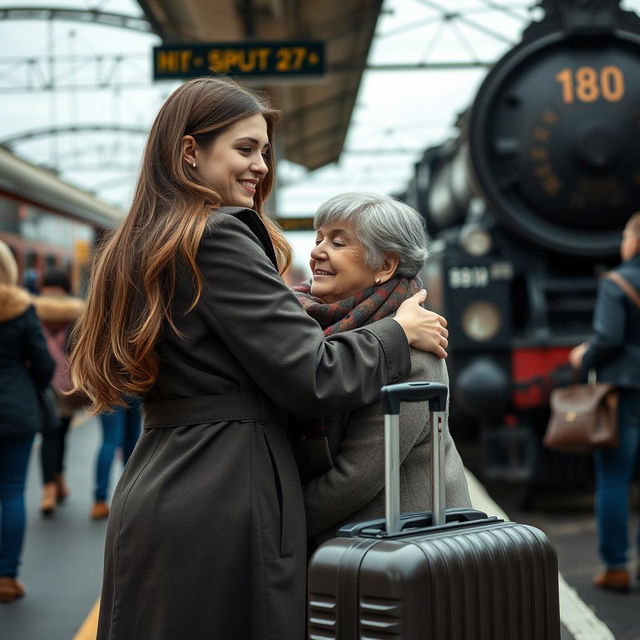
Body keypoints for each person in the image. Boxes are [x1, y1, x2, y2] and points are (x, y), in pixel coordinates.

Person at [68, 76, 448, 640]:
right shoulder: (217, 237)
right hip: (224, 494)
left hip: (165, 474)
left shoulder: (148, 236)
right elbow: (314, 375)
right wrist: (397, 331)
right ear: (190, 151)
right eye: (245, 149)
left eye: (264, 152)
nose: (261, 167)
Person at [291, 193, 471, 547]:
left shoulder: (414, 352)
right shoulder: (305, 325)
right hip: (356, 547)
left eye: (338, 241)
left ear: (385, 266)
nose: (316, 252)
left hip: (397, 550)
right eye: (318, 239)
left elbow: (355, 478)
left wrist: (275, 521)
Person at [570, 211, 640, 593]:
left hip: (625, 389)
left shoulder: (617, 283)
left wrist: (584, 357)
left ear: (634, 241)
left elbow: (609, 339)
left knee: (614, 477)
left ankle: (616, 567)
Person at [0, 241, 54, 602]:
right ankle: (6, 577)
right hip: (15, 410)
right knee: (12, 491)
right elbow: (44, 364)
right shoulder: (20, 308)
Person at [32, 268, 84, 516]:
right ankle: (60, 480)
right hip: (67, 383)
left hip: (41, 384)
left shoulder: (31, 310)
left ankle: (48, 490)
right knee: (62, 433)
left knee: (48, 436)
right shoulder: (77, 312)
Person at [90, 400, 141, 520]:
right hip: (133, 386)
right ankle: (131, 496)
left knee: (109, 439)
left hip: (109, 386)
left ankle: (100, 500)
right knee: (132, 439)